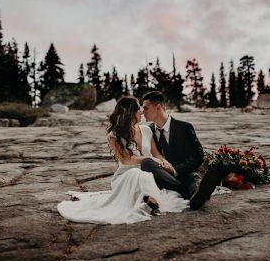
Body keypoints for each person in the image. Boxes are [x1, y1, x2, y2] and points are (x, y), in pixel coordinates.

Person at [57, 96, 188, 225]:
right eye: (138, 109)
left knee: (151, 174)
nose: (141, 111)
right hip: (126, 175)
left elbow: (157, 154)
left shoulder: (146, 130)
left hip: (151, 170)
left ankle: (152, 201)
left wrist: (165, 162)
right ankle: (150, 201)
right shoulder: (114, 136)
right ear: (130, 112)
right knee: (137, 174)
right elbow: (126, 160)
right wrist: (150, 158)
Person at [141, 91, 221, 210]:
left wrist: (175, 170)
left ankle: (197, 195)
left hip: (185, 173)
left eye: (146, 108)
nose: (143, 112)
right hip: (163, 176)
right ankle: (186, 192)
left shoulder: (184, 127)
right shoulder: (148, 130)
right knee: (146, 164)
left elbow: (198, 156)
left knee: (194, 178)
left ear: (158, 107)